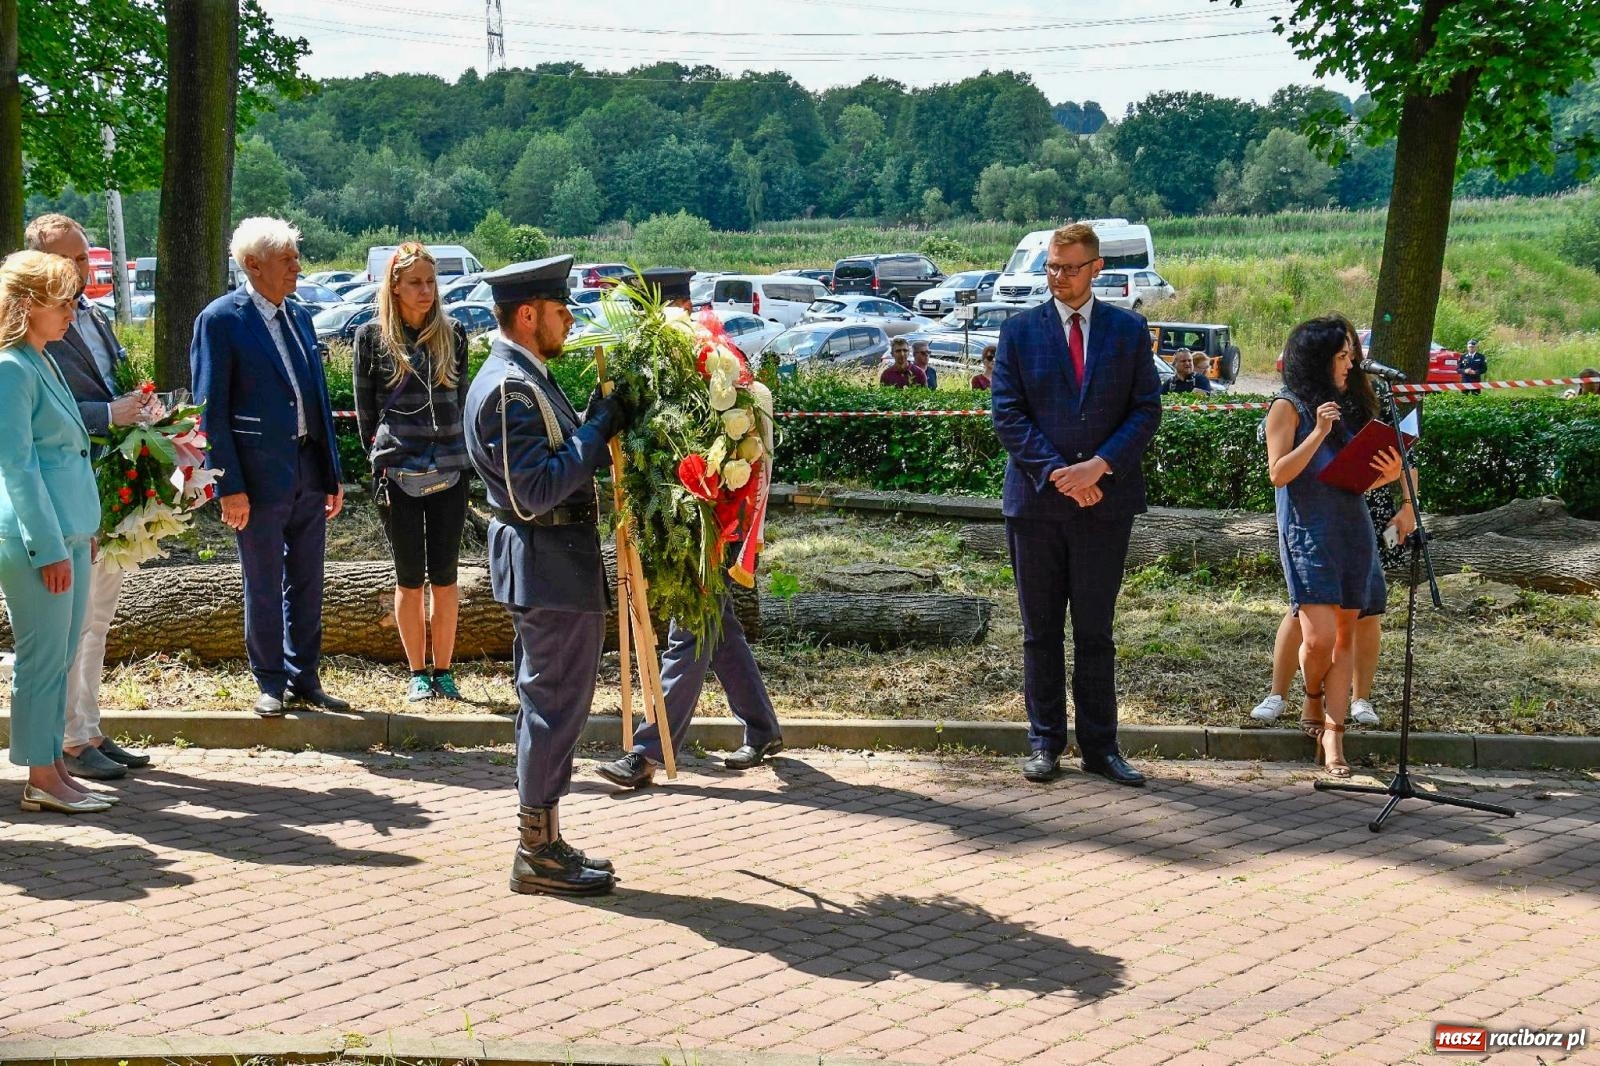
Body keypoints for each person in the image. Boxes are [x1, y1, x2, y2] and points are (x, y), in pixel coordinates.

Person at [463, 254, 629, 896]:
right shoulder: (509, 388)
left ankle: (547, 840)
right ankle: (536, 850)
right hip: (546, 562)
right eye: (561, 311)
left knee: (555, 704)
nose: (570, 321)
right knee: (552, 707)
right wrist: (598, 427)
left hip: (553, 564)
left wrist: (590, 418)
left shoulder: (525, 376)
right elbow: (535, 489)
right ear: (528, 315)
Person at [597, 267, 784, 790]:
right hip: (682, 514)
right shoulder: (656, 361)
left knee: (690, 631)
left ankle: (648, 750)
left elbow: (739, 438)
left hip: (712, 516)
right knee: (718, 626)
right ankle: (763, 727)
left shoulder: (715, 361)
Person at [990, 222, 1163, 788]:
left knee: (1096, 632)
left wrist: (1100, 468)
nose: (1057, 276)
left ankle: (1101, 747)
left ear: (1096, 271)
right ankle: (1045, 743)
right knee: (1040, 632)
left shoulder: (1128, 331)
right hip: (1037, 505)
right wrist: (1061, 474)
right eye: (1051, 267)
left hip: (1105, 505)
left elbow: (1145, 411)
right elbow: (1008, 415)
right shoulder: (1019, 332)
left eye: (1068, 267)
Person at [191, 217, 349, 717]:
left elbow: (318, 401)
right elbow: (209, 410)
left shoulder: (300, 317)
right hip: (256, 480)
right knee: (262, 580)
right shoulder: (221, 319)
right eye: (287, 259)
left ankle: (306, 676)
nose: (297, 267)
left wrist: (331, 473)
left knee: (307, 579)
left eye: (295, 258)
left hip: (305, 467)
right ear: (254, 265)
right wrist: (228, 486)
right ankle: (270, 681)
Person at [26, 214, 154, 778]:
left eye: (84, 257)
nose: (83, 268)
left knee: (99, 616)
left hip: (110, 485)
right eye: (70, 260)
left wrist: (143, 410)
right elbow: (35, 417)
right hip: (67, 492)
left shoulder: (94, 318)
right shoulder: (26, 337)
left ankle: (90, 728)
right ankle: (70, 742)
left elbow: (113, 384)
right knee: (74, 624)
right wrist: (108, 414)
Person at [1252, 320, 1416, 729]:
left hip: (1356, 517)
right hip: (1310, 525)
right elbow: (1280, 473)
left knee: (1363, 615)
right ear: (1317, 360)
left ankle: (1354, 702)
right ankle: (1284, 693)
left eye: (1352, 355)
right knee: (1308, 619)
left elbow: (1381, 465)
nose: (1352, 363)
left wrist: (1402, 491)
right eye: (1342, 356)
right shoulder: (1291, 405)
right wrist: (1320, 431)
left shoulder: (1358, 400)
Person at [0, 250, 112, 814]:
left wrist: (83, 529)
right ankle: (41, 776)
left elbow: (66, 456)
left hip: (70, 531)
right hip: (34, 539)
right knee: (43, 658)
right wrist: (48, 544)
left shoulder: (41, 359)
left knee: (64, 654)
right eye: (62, 299)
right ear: (26, 306)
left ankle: (55, 769)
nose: (74, 309)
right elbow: (17, 466)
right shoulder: (9, 368)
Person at [354, 243, 472, 702]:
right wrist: (380, 457)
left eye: (431, 282)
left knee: (445, 575)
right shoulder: (372, 336)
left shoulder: (454, 334)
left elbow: (461, 400)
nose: (425, 291)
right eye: (415, 283)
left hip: (450, 468)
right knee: (409, 576)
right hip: (397, 471)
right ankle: (417, 671)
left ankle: (444, 669)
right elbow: (366, 413)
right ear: (395, 287)